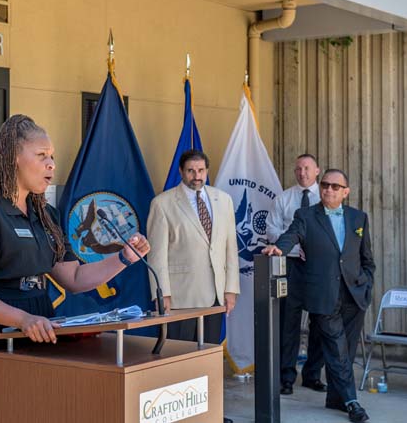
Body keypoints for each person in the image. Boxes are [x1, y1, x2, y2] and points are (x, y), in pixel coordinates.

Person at [0, 115, 150, 423]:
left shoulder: (46, 215)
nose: (51, 164)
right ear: (13, 158)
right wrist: (23, 319)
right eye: (41, 155)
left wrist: (124, 258)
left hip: (35, 324)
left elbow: (73, 277)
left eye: (52, 156)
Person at [263, 169, 374, 423]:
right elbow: (291, 235)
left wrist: (367, 283)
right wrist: (279, 248)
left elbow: (367, 258)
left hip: (354, 294)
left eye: (336, 186)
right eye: (325, 184)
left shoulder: (359, 217)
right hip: (323, 295)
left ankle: (335, 397)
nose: (329, 189)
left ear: (346, 192)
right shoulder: (306, 215)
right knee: (337, 349)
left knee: (346, 348)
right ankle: (351, 401)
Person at [147, 149, 240, 344]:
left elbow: (230, 247)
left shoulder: (224, 200)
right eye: (191, 171)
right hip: (181, 297)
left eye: (201, 170)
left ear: (207, 171)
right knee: (179, 354)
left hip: (215, 294)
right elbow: (157, 255)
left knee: (208, 355)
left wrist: (230, 288)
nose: (196, 176)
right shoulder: (162, 203)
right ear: (181, 171)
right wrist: (162, 293)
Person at [266, 154, 326, 395]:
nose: (302, 173)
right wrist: (297, 247)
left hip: (318, 266)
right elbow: (272, 231)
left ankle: (312, 375)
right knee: (287, 323)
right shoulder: (284, 198)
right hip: (290, 265)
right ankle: (286, 377)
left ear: (317, 171)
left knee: (320, 321)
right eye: (298, 168)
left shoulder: (325, 196)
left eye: (307, 168)